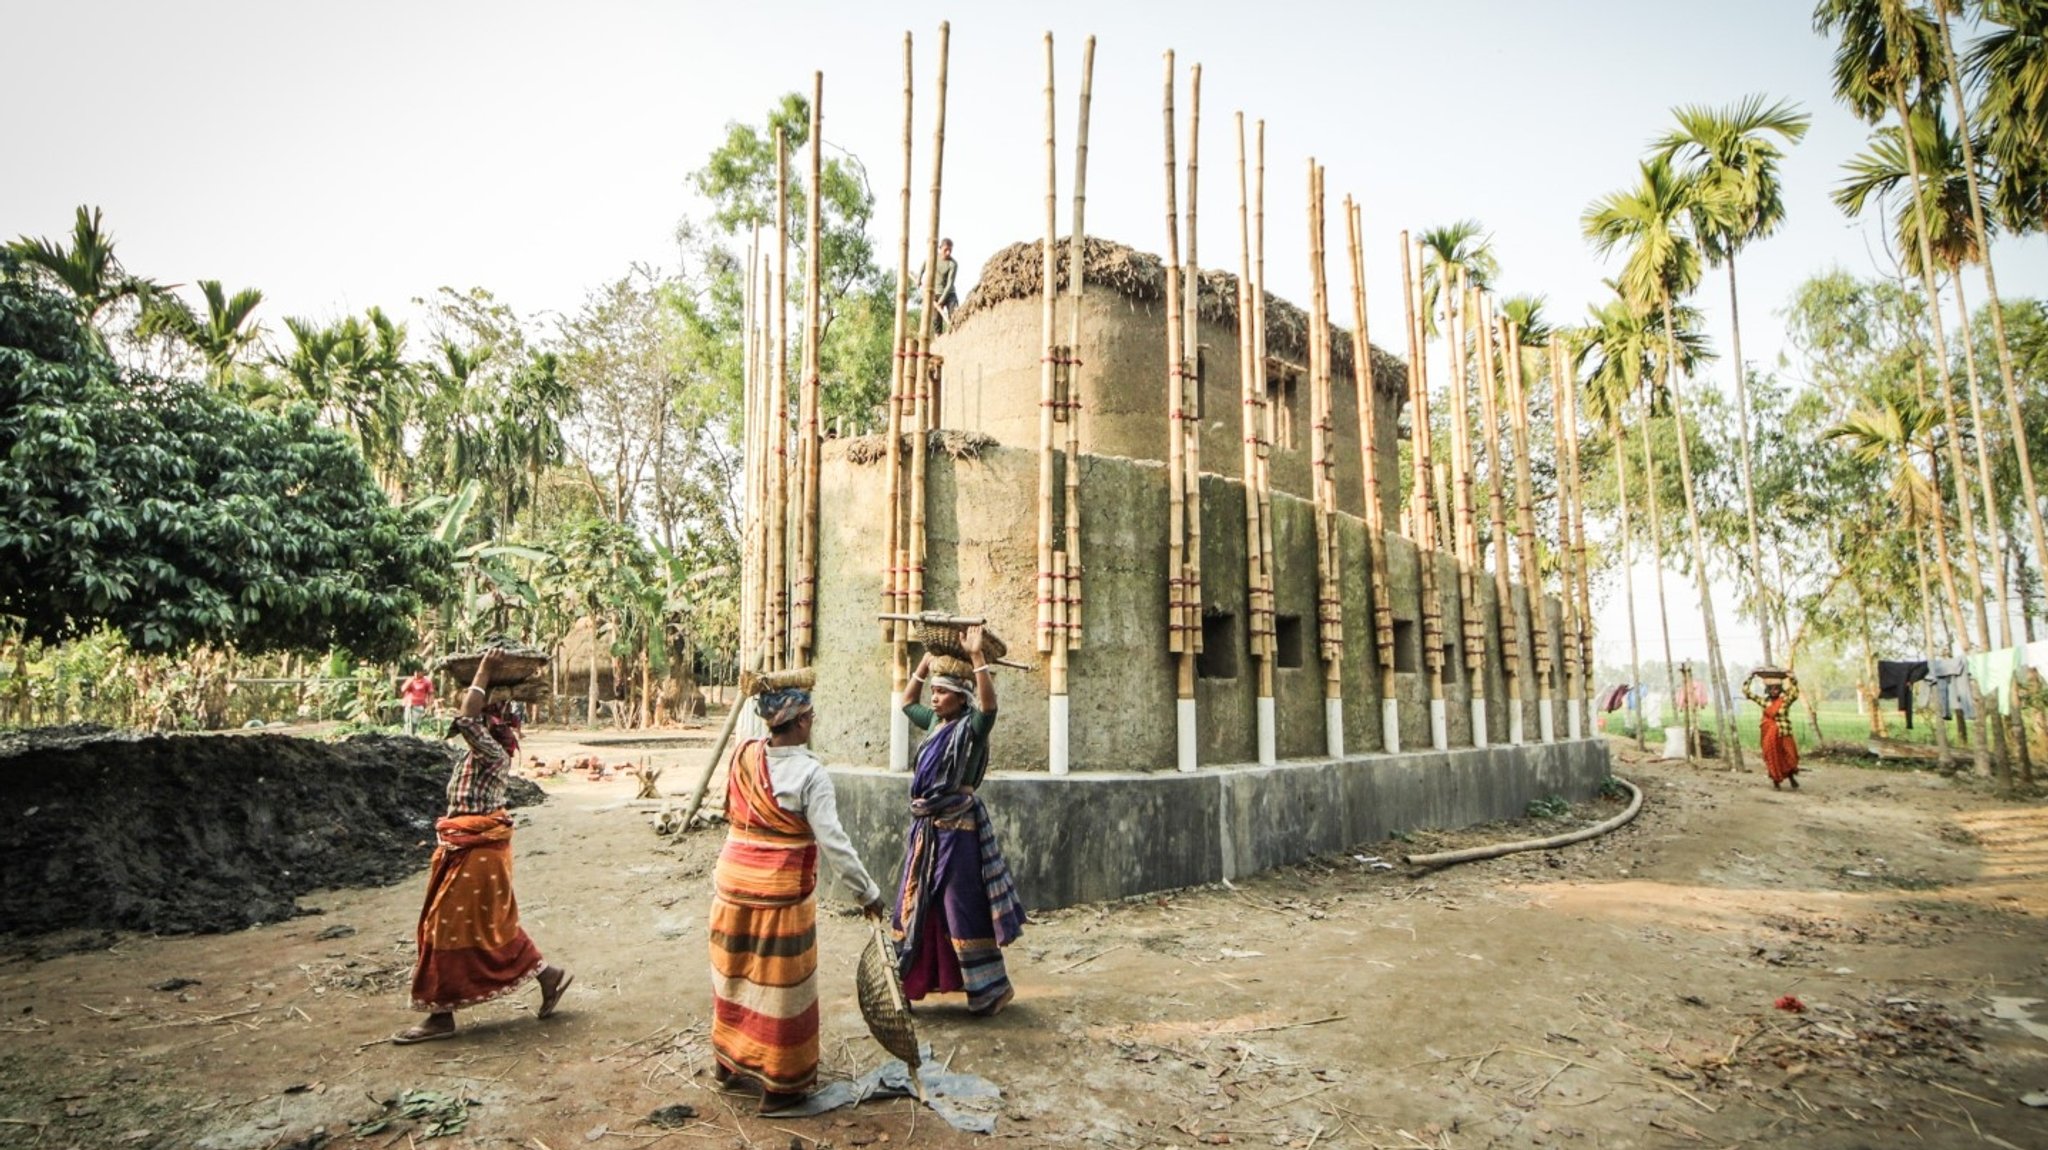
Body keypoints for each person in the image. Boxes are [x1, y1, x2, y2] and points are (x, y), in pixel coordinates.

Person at [709, 685, 885, 1112]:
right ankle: (780, 1086)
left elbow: (728, 808)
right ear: (802, 721)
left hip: (731, 883)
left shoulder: (744, 755)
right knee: (782, 988)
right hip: (779, 894)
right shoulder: (811, 774)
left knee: (734, 974)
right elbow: (835, 843)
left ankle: (727, 1065)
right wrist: (869, 894)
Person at [395, 649, 572, 1043]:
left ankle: (441, 1015)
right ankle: (548, 975)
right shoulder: (482, 751)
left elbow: (465, 716)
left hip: (476, 850)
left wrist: (484, 671)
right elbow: (468, 717)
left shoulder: (491, 752)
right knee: (488, 926)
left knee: (444, 925)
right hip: (469, 846)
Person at [893, 628, 1026, 1016]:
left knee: (959, 907)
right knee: (918, 903)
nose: (933, 699)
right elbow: (905, 701)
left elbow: (989, 708)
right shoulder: (935, 725)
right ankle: (913, 982)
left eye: (942, 692)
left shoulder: (970, 729)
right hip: (928, 831)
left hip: (959, 831)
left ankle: (990, 989)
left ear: (961, 697)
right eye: (933, 692)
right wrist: (926, 659)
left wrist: (977, 659)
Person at [1743, 670, 1802, 790]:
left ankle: (1791, 777)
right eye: (1771, 689)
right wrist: (1750, 678)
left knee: (1790, 757)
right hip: (1770, 735)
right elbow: (1747, 693)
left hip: (1784, 733)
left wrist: (1793, 679)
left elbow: (1795, 693)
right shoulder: (1764, 702)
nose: (1774, 691)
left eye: (1776, 688)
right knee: (1773, 757)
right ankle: (1776, 781)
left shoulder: (1785, 700)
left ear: (1780, 689)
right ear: (1767, 690)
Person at [400, 669, 435, 737]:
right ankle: (406, 735)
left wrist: (429, 706)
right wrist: (410, 681)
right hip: (408, 703)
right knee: (406, 721)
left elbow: (431, 694)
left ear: (422, 673)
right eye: (415, 672)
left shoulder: (427, 682)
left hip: (419, 704)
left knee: (414, 722)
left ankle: (412, 734)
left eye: (418, 672)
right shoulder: (410, 680)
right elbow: (402, 689)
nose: (416, 673)